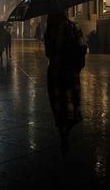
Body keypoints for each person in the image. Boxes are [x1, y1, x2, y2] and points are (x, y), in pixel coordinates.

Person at [44, 10, 87, 155]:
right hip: (70, 71)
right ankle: (67, 128)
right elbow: (82, 48)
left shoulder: (49, 30)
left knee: (57, 100)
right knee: (71, 99)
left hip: (54, 72)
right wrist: (77, 67)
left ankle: (61, 127)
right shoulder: (74, 27)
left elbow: (48, 53)